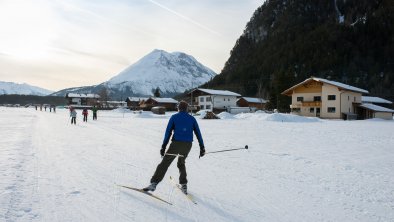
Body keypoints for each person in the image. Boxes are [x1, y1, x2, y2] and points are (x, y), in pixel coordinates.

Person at [143, 101, 205, 194]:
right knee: (181, 163)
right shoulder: (192, 119)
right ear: (187, 108)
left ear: (178, 108)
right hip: (187, 145)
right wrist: (202, 147)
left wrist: (163, 146)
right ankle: (184, 185)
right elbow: (198, 133)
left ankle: (154, 183)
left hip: (176, 144)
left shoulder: (174, 117)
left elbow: (168, 133)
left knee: (164, 163)